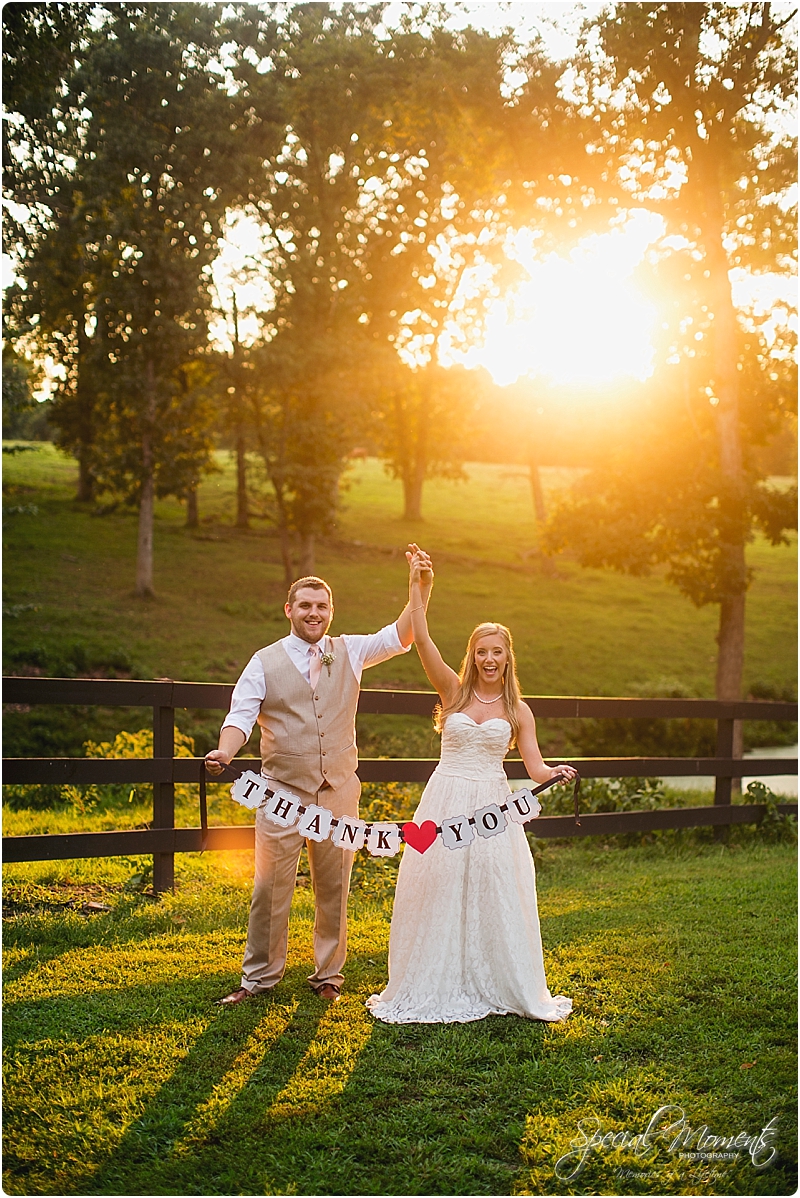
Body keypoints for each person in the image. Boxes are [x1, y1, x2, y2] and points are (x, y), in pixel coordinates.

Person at [206, 548, 433, 1005]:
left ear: (331, 612)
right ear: (289, 610)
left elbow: (403, 633)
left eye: (322, 606)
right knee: (270, 889)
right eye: (306, 605)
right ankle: (258, 979)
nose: (315, 613)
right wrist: (224, 751)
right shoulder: (263, 662)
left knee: (335, 886)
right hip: (281, 795)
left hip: (337, 793)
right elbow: (240, 717)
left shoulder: (350, 650)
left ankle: (329, 975)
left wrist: (419, 588)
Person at [367, 551, 576, 1024]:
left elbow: (535, 767)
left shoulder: (520, 712)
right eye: (481, 651)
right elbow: (421, 643)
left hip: (490, 806)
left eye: (496, 651)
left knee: (492, 885)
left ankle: (498, 978)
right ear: (472, 656)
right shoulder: (452, 693)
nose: (488, 658)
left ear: (507, 658)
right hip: (444, 799)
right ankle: (434, 979)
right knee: (437, 885)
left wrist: (554, 774)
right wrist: (420, 587)